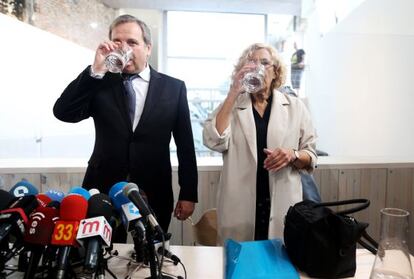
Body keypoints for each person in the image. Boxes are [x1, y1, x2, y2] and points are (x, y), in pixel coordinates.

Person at [53, 14, 198, 237]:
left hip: (154, 189)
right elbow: (63, 112)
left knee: (153, 253)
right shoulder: (100, 82)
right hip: (103, 189)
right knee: (103, 255)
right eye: (117, 42)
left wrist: (188, 193)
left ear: (148, 48)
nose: (123, 47)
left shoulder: (174, 88)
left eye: (131, 42)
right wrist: (95, 70)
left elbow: (186, 146)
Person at [203, 43, 317, 243]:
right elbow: (214, 140)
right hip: (240, 206)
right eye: (252, 62)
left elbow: (311, 156)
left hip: (282, 202)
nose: (258, 67)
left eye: (265, 63)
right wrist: (233, 92)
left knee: (279, 266)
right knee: (241, 268)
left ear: (275, 72)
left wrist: (293, 155)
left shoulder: (295, 107)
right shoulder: (232, 105)